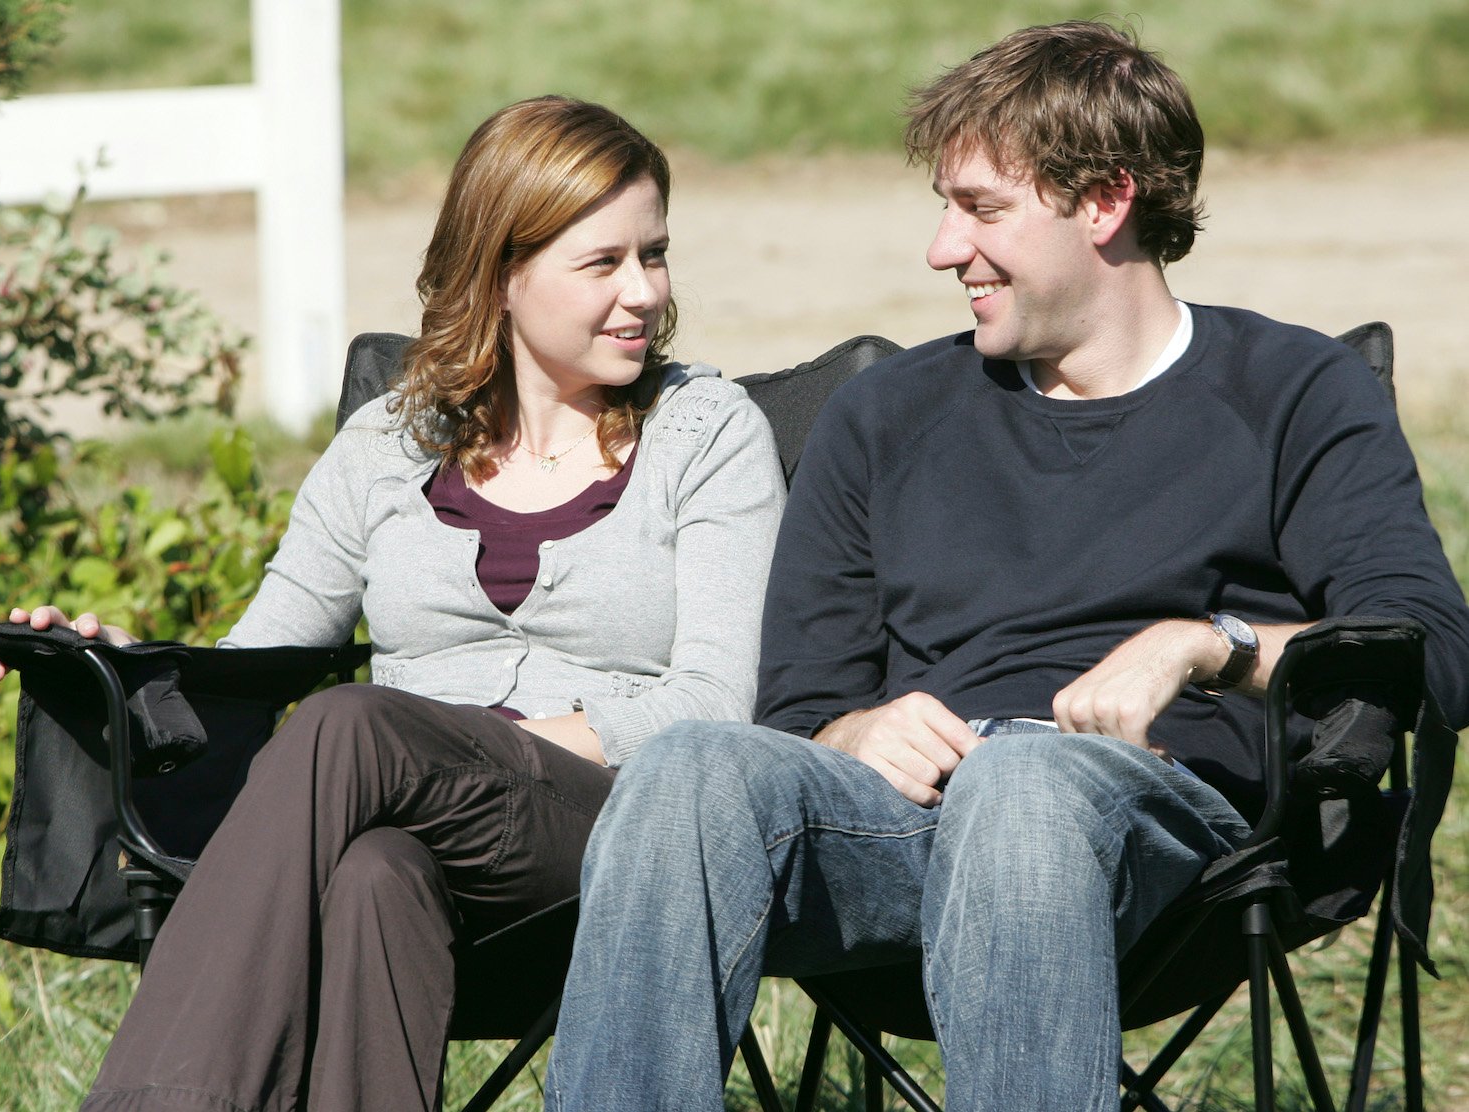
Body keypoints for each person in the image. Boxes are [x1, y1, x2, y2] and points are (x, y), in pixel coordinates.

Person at [542, 22, 1469, 1110]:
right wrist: (852, 731)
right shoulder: (884, 414)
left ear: (1105, 203)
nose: (943, 248)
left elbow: (1432, 655)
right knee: (692, 766)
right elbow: (799, 704)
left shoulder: (1294, 391)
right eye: (945, 207)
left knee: (1023, 782)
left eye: (981, 209)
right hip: (900, 830)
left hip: (1177, 844)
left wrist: (1204, 646)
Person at [0, 96, 785, 1111]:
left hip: (618, 824)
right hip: (415, 823)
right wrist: (124, 666)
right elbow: (257, 659)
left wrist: (478, 743)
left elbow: (717, 702)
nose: (644, 292)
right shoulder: (387, 440)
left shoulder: (706, 434)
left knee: (352, 724)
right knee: (375, 875)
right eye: (604, 263)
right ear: (503, 272)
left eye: (655, 254)